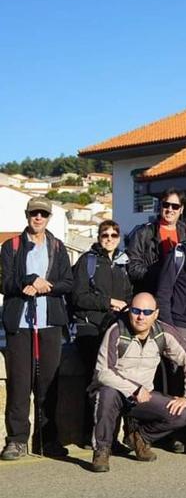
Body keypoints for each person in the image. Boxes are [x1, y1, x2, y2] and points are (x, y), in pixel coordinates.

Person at [88, 293, 186, 472]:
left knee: (182, 414)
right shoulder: (116, 330)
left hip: (143, 398)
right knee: (107, 393)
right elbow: (103, 372)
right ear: (129, 311)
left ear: (156, 314)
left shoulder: (163, 332)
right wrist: (134, 389)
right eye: (136, 311)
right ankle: (102, 450)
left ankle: (139, 438)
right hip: (115, 393)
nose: (141, 316)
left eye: (147, 312)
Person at [1, 197, 73, 461]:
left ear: (49, 217)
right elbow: (6, 283)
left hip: (50, 323)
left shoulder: (57, 246)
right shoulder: (12, 246)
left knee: (48, 385)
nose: (38, 217)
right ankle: (17, 440)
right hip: (20, 324)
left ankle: (48, 439)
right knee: (20, 384)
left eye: (43, 213)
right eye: (34, 213)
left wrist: (46, 285)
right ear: (27, 215)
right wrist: (29, 280)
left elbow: (68, 283)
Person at [70, 220, 133, 447]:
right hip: (91, 330)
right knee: (95, 383)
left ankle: (110, 435)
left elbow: (128, 295)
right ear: (98, 237)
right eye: (105, 234)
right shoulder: (88, 261)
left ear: (119, 238)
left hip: (115, 330)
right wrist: (108, 302)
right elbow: (78, 297)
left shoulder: (122, 264)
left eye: (114, 235)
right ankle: (91, 435)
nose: (109, 238)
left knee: (116, 384)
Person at [127, 188, 186, 294]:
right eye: (166, 205)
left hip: (179, 295)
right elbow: (132, 267)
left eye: (175, 206)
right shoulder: (143, 233)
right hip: (152, 293)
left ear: (181, 209)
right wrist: (161, 274)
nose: (170, 209)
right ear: (160, 205)